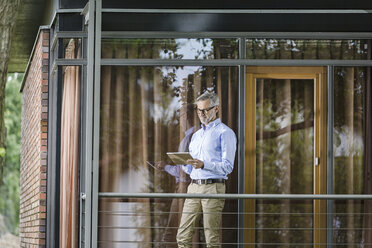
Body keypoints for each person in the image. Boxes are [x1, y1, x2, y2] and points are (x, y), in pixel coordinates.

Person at [176, 91, 237, 248]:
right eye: (198, 110)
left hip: (213, 187)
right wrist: (184, 163)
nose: (201, 114)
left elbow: (228, 166)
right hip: (194, 187)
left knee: (211, 238)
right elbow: (191, 169)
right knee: (182, 236)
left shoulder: (225, 133)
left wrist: (204, 164)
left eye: (205, 110)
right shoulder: (196, 136)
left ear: (216, 109)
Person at [154, 103, 196, 248]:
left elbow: (185, 171)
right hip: (184, 186)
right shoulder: (188, 138)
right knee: (180, 230)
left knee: (172, 231)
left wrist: (165, 167)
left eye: (181, 116)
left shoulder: (191, 139)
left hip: (185, 187)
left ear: (187, 117)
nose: (179, 120)